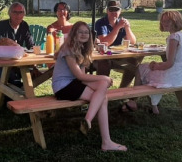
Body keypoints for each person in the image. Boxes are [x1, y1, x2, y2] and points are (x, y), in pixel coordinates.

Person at [52, 21, 127, 152]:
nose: (83, 34)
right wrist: (103, 77)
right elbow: (80, 76)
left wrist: (101, 81)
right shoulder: (68, 49)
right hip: (63, 87)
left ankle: (103, 139)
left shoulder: (82, 48)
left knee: (102, 96)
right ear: (74, 34)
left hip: (74, 82)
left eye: (86, 32)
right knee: (102, 93)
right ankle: (91, 122)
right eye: (80, 32)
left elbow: (81, 75)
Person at [134, 11, 182, 114]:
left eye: (168, 21)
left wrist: (155, 66)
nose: (164, 23)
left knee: (140, 68)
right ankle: (154, 106)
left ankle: (132, 101)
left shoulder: (174, 38)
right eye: (163, 21)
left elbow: (169, 63)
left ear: (175, 22)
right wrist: (156, 65)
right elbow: (173, 61)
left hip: (172, 77)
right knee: (147, 68)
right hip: (181, 76)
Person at [94, 0, 137, 111]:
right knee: (104, 63)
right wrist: (117, 28)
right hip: (101, 55)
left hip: (117, 55)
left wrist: (127, 28)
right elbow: (105, 42)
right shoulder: (101, 23)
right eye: (111, 9)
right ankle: (101, 93)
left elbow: (133, 42)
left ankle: (121, 91)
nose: (114, 12)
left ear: (120, 11)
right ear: (107, 11)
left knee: (133, 63)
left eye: (116, 9)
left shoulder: (121, 22)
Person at [0, 2, 38, 87]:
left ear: (24, 14)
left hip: (17, 63)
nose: (18, 15)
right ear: (9, 13)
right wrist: (11, 44)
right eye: (15, 12)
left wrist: (33, 51)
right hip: (1, 64)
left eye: (21, 12)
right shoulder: (1, 25)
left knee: (33, 74)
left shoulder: (24, 25)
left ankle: (20, 95)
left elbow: (31, 44)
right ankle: (14, 98)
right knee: (13, 78)